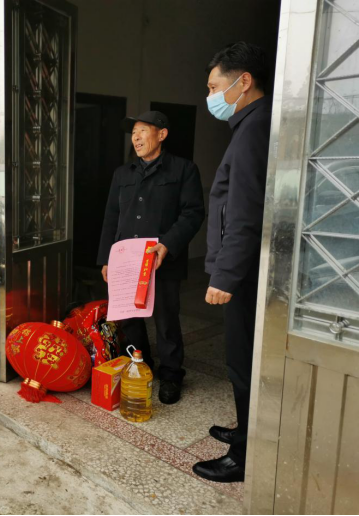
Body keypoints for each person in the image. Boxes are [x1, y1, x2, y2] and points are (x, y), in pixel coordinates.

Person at [193, 42, 272, 483]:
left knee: (243, 363)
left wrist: (224, 275)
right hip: (243, 268)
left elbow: (245, 212)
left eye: (213, 87)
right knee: (242, 360)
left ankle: (243, 457)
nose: (210, 96)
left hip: (243, 274)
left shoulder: (255, 127)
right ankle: (245, 431)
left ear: (244, 81)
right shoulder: (248, 125)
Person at [98, 111, 205, 405]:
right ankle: (140, 364)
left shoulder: (183, 170)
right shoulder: (123, 174)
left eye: (143, 130)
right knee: (130, 318)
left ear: (162, 134)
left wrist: (167, 244)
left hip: (161, 260)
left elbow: (193, 213)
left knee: (166, 319)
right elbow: (111, 217)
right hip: (126, 260)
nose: (136, 137)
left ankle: (171, 374)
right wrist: (106, 259)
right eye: (133, 132)